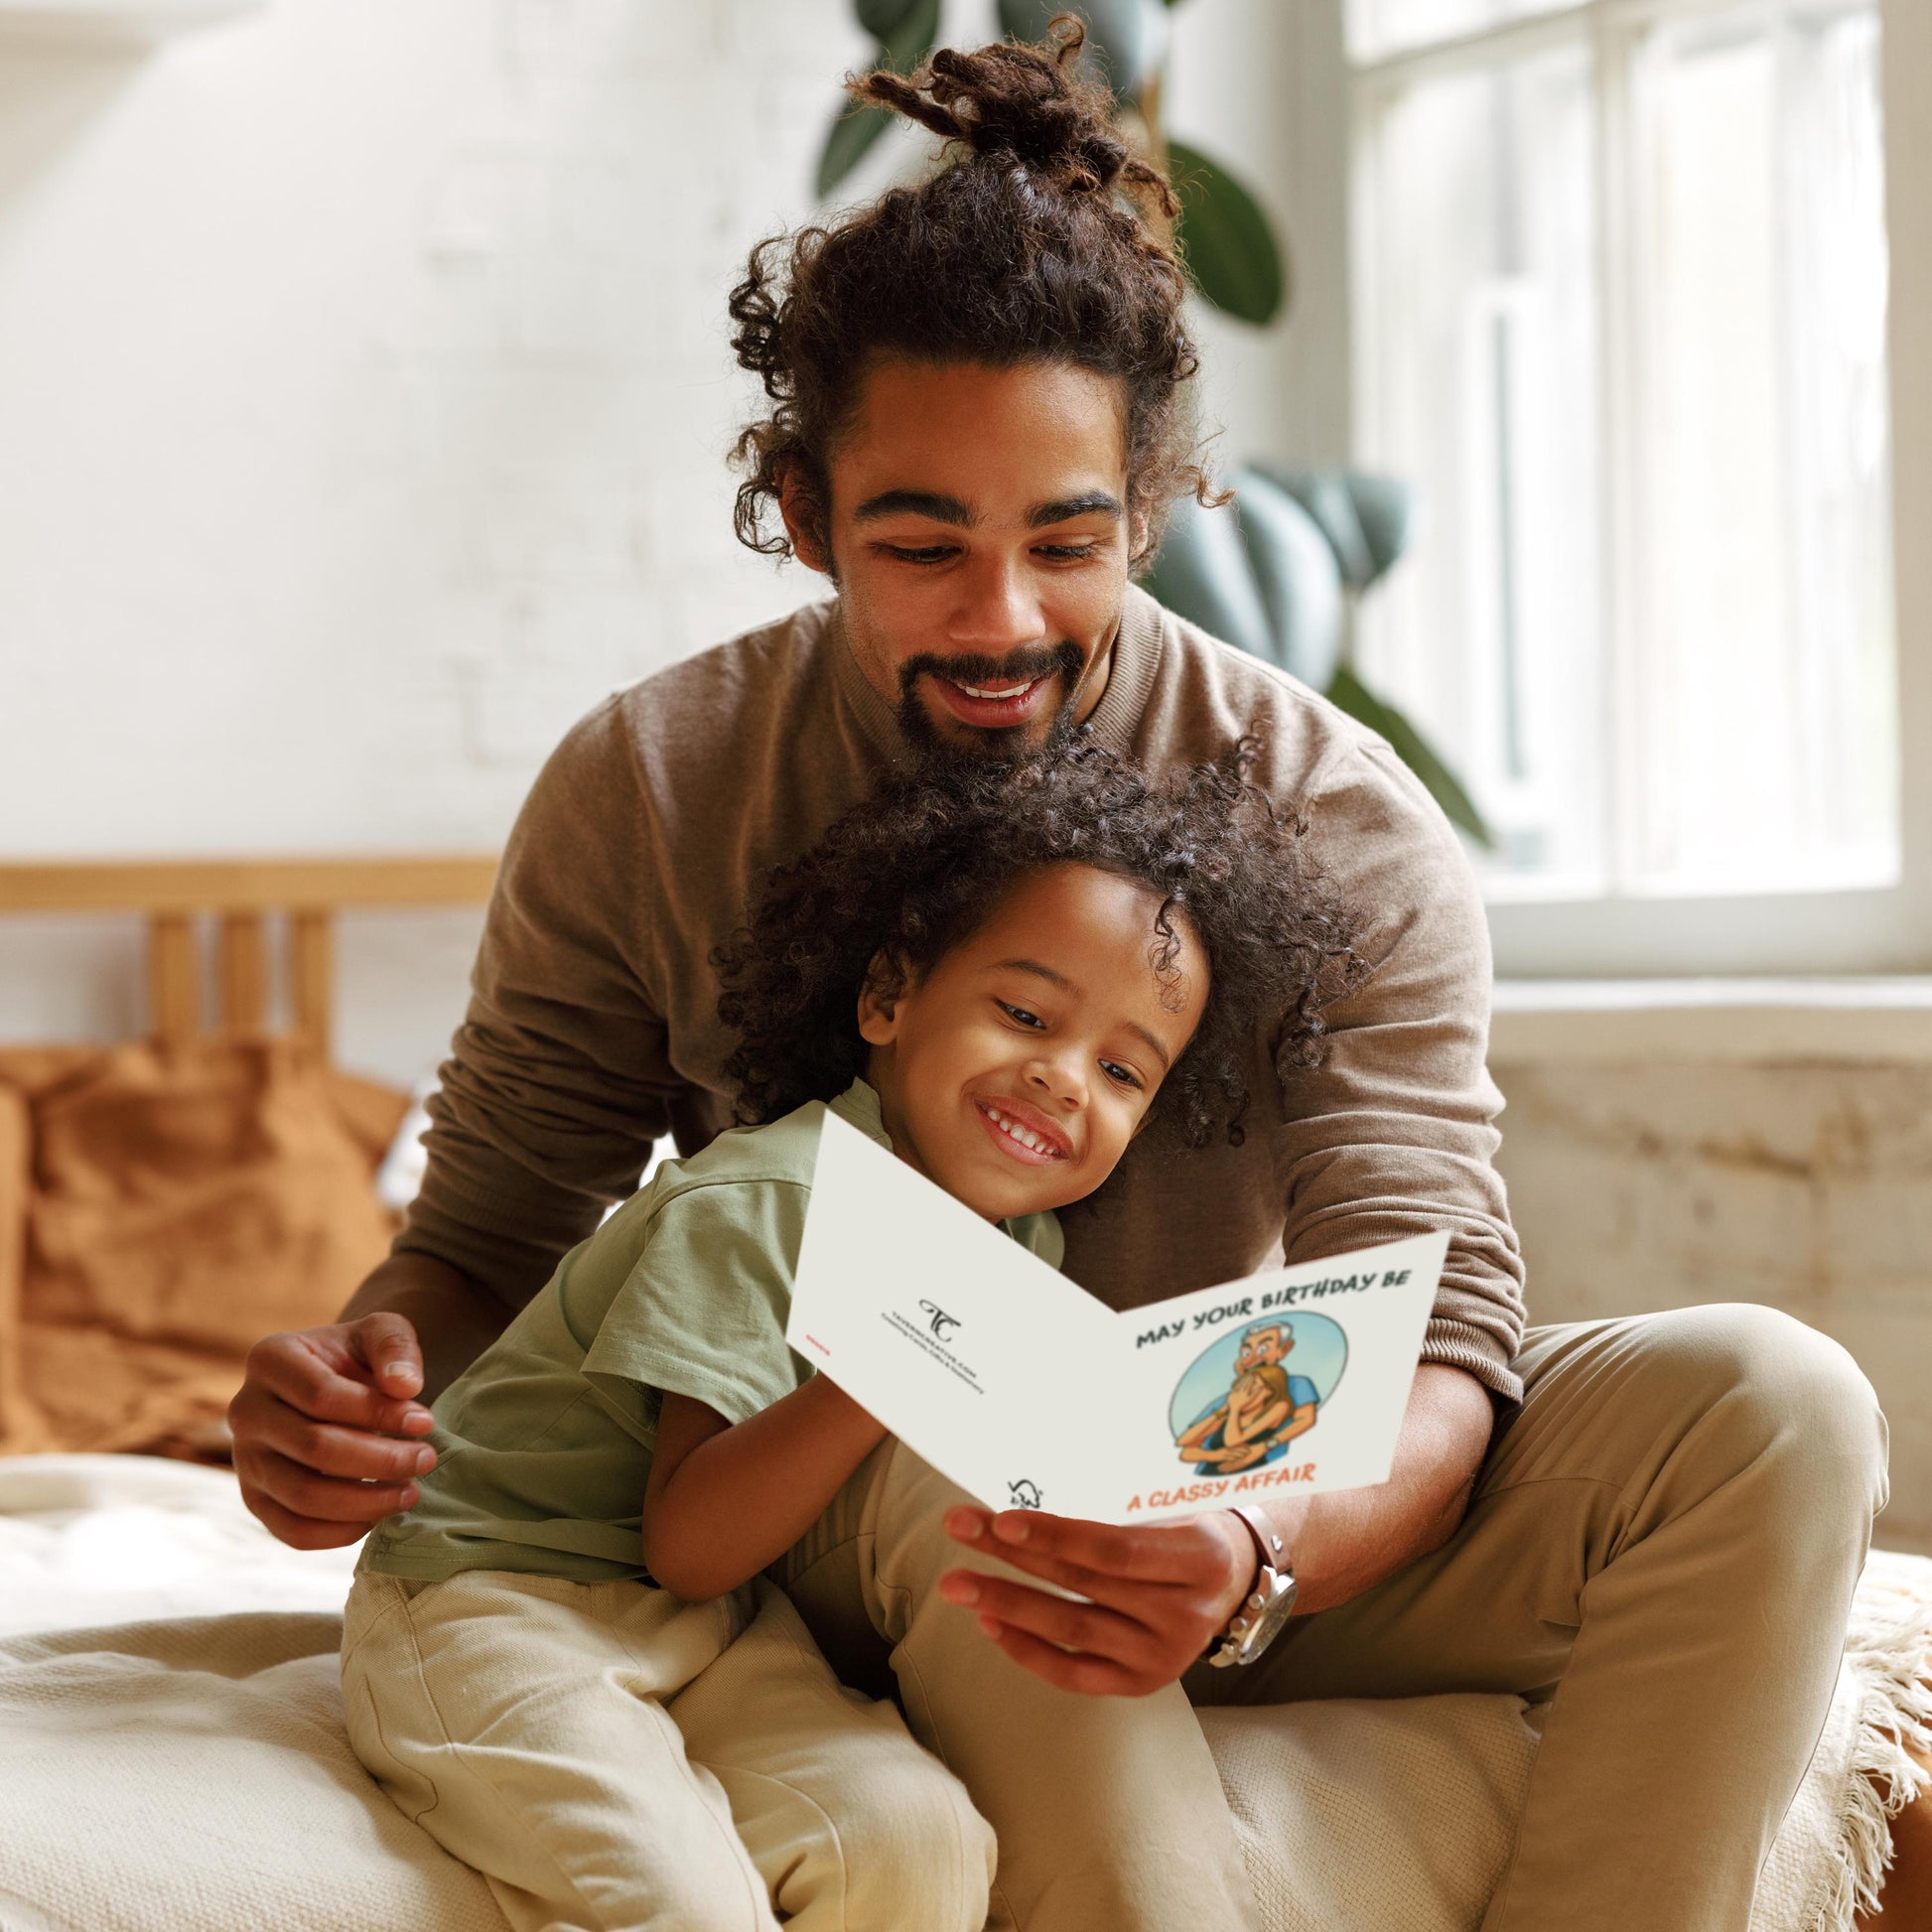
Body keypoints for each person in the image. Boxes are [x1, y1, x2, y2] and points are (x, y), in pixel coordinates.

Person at [234, 24, 1888, 1932]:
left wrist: (1255, 1539)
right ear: (798, 503)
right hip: (824, 1490)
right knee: (955, 1368)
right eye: (921, 544)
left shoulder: (1341, 823)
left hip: (1238, 1492)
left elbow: (1441, 1330)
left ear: (1158, 501)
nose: (1001, 616)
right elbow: (494, 1229)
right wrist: (360, 1386)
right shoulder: (656, 783)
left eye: (1067, 542)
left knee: (1777, 1399)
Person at [342, 739, 1350, 1932]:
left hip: (709, 1634)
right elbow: (691, 1540)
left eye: (1124, 1070)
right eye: (1025, 1011)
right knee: (679, 1900)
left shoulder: (1020, 1258)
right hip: (494, 1597)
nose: (1064, 1077)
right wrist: (896, 1365)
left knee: (909, 1842)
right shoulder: (769, 1200)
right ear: (888, 998)